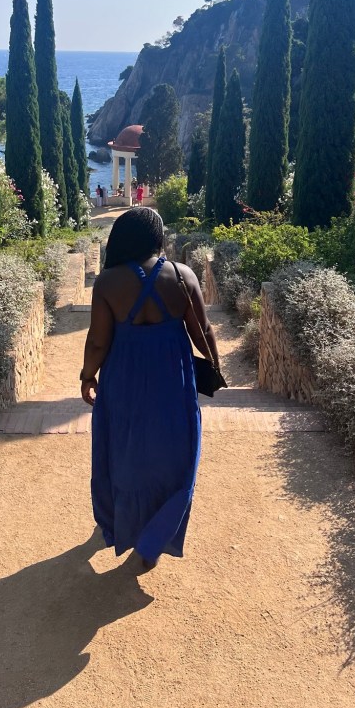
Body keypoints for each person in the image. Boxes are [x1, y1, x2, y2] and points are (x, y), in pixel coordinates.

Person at [80, 207, 220, 570]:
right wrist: (215, 367)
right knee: (176, 455)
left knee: (124, 451)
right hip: (172, 379)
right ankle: (154, 539)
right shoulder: (182, 275)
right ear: (157, 238)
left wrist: (87, 375)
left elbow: (98, 340)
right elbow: (203, 331)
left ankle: (122, 523)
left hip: (123, 379)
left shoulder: (108, 282)